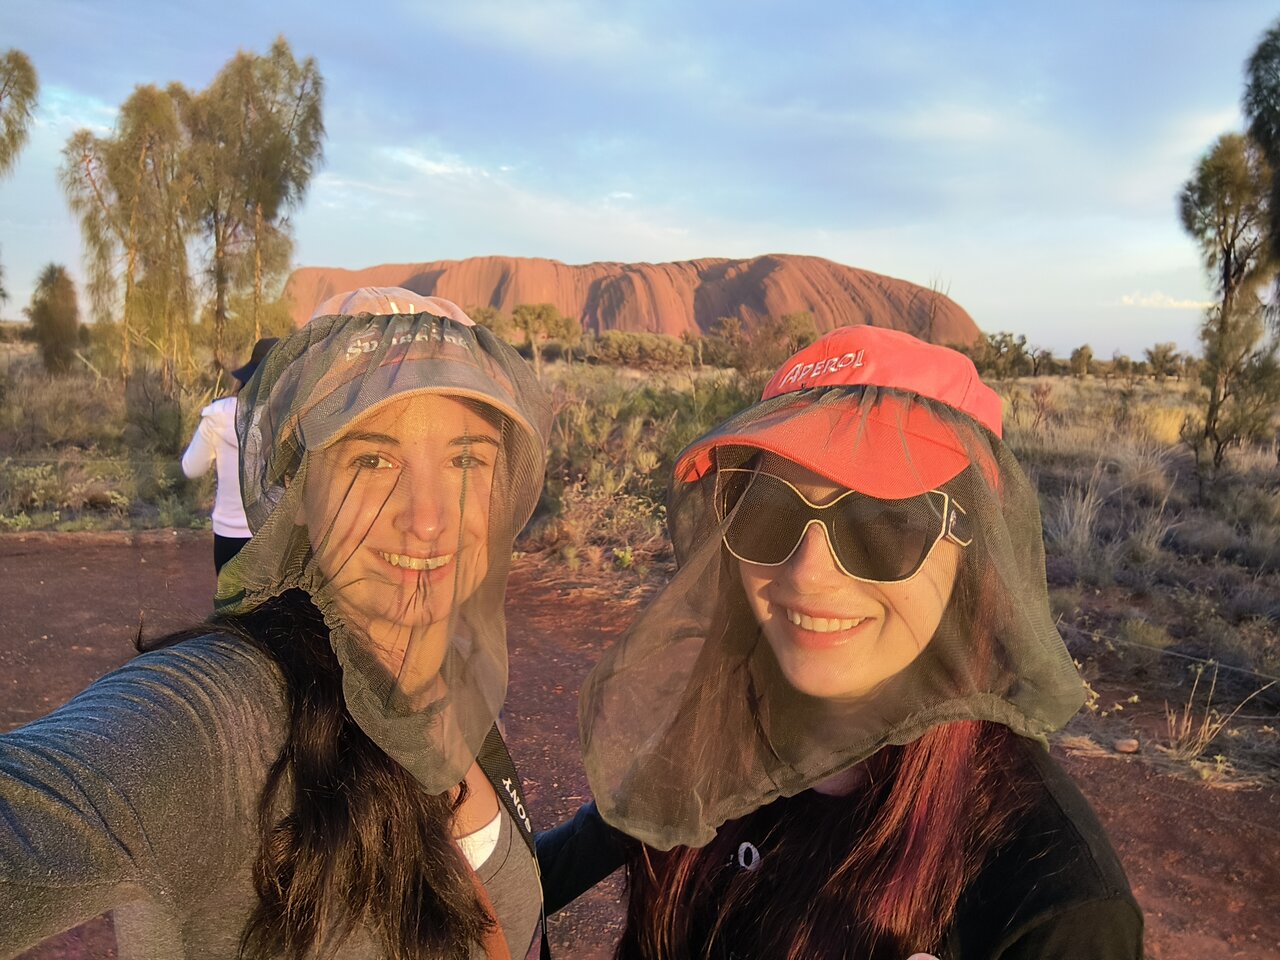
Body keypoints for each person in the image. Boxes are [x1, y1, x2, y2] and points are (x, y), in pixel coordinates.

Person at [0, 296, 553, 960]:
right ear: (301, 487)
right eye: (372, 461)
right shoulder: (223, 719)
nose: (429, 518)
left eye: (466, 460)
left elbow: (487, 901)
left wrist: (618, 832)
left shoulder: (448, 681)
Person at [571, 325, 1143, 959]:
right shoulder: (715, 744)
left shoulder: (1053, 900)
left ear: (972, 554)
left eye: (884, 521)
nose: (807, 574)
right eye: (767, 509)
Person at [181, 336, 279, 573]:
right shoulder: (295, 416)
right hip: (277, 535)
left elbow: (191, 468)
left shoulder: (218, 415)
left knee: (232, 597)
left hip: (229, 536)